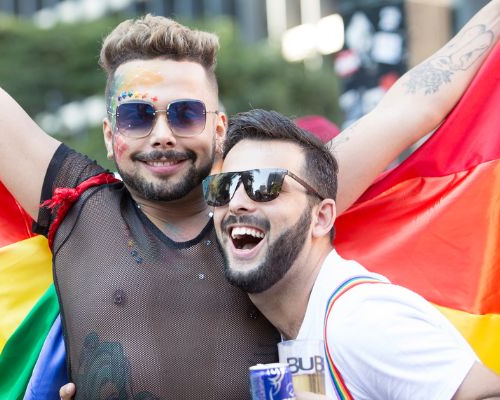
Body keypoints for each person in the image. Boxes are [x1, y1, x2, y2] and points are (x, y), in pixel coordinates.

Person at [0, 0, 500, 398]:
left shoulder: (272, 200)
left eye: (184, 114)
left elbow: (407, 109)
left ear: (219, 127)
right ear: (109, 135)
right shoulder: (77, 207)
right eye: (136, 116)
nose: (162, 135)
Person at [206, 108, 500, 399]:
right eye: (224, 187)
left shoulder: (361, 319)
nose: (236, 203)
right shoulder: (296, 323)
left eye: (264, 186)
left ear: (321, 218)